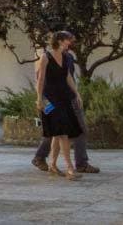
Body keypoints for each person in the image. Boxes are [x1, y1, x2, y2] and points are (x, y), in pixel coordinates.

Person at [31, 31, 95, 179]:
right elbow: (40, 80)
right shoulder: (45, 57)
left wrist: (76, 93)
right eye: (68, 40)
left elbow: (68, 77)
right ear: (60, 41)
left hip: (64, 97)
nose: (70, 42)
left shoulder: (67, 57)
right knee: (62, 133)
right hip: (48, 99)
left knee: (58, 132)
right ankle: (70, 168)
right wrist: (39, 99)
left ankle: (52, 165)